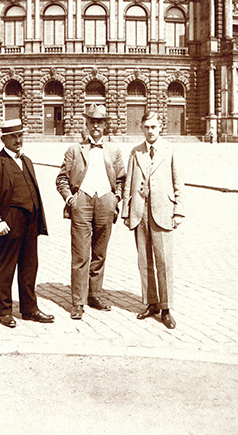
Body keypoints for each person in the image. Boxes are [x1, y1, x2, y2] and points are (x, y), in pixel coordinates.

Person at [0, 118, 54, 328]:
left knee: (30, 266)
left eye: (20, 135)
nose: (18, 140)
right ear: (4, 139)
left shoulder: (27, 160)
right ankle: (4, 311)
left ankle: (29, 309)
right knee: (7, 266)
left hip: (30, 221)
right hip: (9, 222)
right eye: (13, 136)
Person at [56, 104, 126, 320]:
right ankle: (78, 301)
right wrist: (70, 199)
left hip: (105, 201)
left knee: (99, 253)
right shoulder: (74, 150)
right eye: (92, 122)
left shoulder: (114, 151)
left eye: (100, 122)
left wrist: (116, 198)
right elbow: (61, 178)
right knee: (80, 254)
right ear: (86, 124)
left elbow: (122, 179)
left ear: (105, 125)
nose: (96, 125)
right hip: (82, 202)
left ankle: (94, 294)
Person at [121, 112, 184, 329]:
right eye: (147, 127)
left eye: (154, 127)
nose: (150, 131)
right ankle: (151, 303)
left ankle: (166, 308)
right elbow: (128, 182)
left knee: (163, 262)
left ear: (160, 127)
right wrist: (126, 212)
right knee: (144, 262)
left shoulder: (169, 150)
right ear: (141, 128)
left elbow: (178, 183)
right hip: (140, 213)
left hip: (163, 212)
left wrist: (178, 211)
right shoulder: (135, 152)